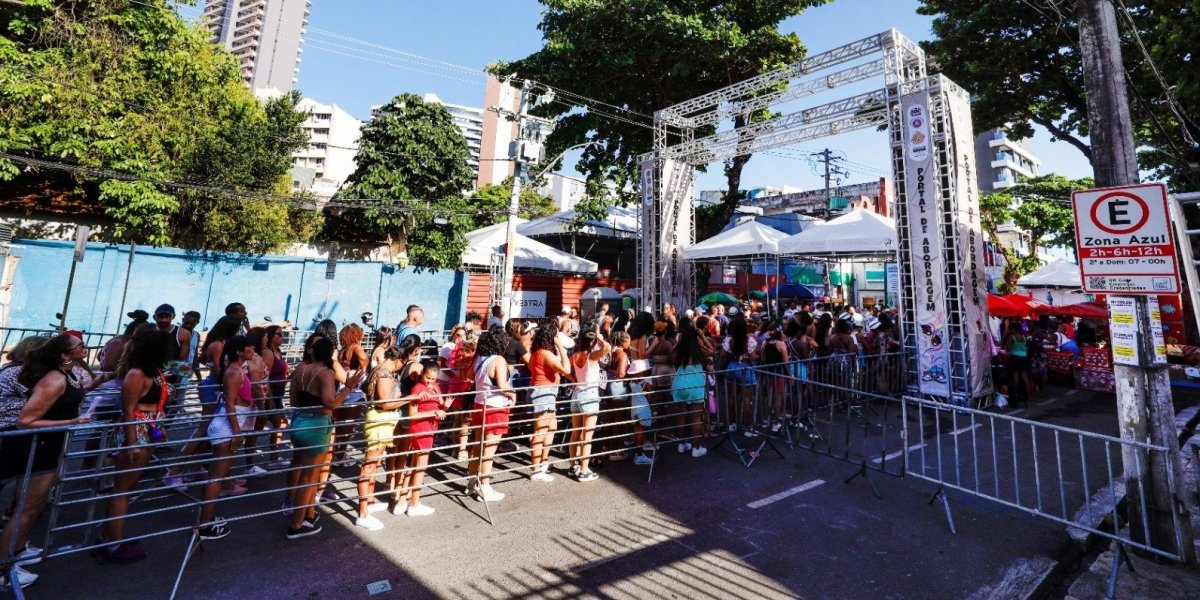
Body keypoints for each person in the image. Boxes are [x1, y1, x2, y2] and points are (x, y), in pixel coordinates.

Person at [0, 335, 91, 587]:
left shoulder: (68, 373)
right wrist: (71, 422)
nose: (85, 348)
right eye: (80, 347)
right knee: (26, 509)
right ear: (64, 355)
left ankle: (16, 550)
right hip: (39, 446)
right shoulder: (54, 379)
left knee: (35, 504)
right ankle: (2, 566)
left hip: (52, 444)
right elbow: (26, 420)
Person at [100, 329, 171, 563]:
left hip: (149, 430)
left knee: (128, 486)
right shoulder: (136, 374)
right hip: (136, 432)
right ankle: (113, 545)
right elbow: (128, 411)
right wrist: (133, 444)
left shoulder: (155, 372)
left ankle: (110, 536)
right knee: (122, 488)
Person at [286, 337, 363, 540]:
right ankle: (296, 525)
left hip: (299, 424)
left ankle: (309, 515)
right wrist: (349, 387)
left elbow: (294, 400)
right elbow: (331, 403)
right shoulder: (326, 373)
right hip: (317, 428)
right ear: (329, 354)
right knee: (309, 479)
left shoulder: (300, 369)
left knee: (306, 474)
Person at [196, 336, 260, 540]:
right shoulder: (234, 372)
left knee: (217, 474)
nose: (252, 349)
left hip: (228, 425)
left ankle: (207, 518)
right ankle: (205, 525)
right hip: (226, 427)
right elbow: (230, 403)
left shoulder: (237, 370)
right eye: (248, 347)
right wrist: (237, 432)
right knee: (216, 476)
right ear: (239, 352)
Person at [354, 345, 407, 530]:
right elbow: (386, 403)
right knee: (369, 466)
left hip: (381, 422)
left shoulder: (378, 369)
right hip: (379, 421)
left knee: (374, 464)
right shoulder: (383, 373)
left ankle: (368, 502)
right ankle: (363, 513)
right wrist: (411, 398)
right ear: (398, 360)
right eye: (403, 363)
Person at [466, 327, 516, 502]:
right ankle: (485, 488)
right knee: (489, 449)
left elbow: (469, 376)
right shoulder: (498, 360)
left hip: (480, 404)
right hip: (495, 406)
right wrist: (512, 393)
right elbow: (502, 385)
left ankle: (472, 483)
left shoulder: (479, 358)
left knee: (478, 447)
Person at [397, 362, 445, 516]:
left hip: (429, 428)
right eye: (428, 377)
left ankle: (402, 501)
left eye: (433, 378)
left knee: (414, 464)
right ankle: (414, 504)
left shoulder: (435, 386)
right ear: (422, 374)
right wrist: (434, 413)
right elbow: (412, 415)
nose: (430, 381)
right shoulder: (417, 389)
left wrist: (444, 407)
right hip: (421, 428)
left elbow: (440, 405)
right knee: (420, 467)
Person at [527, 325, 570, 482]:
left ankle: (543, 462)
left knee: (551, 427)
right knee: (541, 431)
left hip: (546, 392)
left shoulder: (537, 352)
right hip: (543, 393)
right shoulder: (544, 353)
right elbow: (566, 369)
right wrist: (561, 348)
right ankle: (536, 469)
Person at [568, 322, 610, 482]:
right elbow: (607, 348)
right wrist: (600, 338)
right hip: (590, 396)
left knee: (575, 433)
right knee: (587, 436)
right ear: (592, 343)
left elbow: (568, 371)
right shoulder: (591, 356)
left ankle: (573, 466)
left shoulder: (575, 356)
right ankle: (584, 470)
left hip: (577, 395)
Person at [670, 326, 708, 458]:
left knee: (681, 415)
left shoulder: (679, 350)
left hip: (680, 382)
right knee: (696, 417)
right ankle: (696, 447)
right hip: (695, 383)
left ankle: (682, 444)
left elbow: (672, 357)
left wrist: (679, 341)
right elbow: (712, 351)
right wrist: (702, 336)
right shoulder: (699, 350)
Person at [1002, 322, 1036, 401]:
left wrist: (1005, 338)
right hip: (1024, 358)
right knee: (1025, 378)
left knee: (1015, 377)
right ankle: (1028, 395)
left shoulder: (1011, 337)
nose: (1009, 330)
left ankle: (1016, 395)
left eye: (1010, 328)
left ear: (1014, 329)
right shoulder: (1023, 337)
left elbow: (1008, 349)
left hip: (1014, 358)